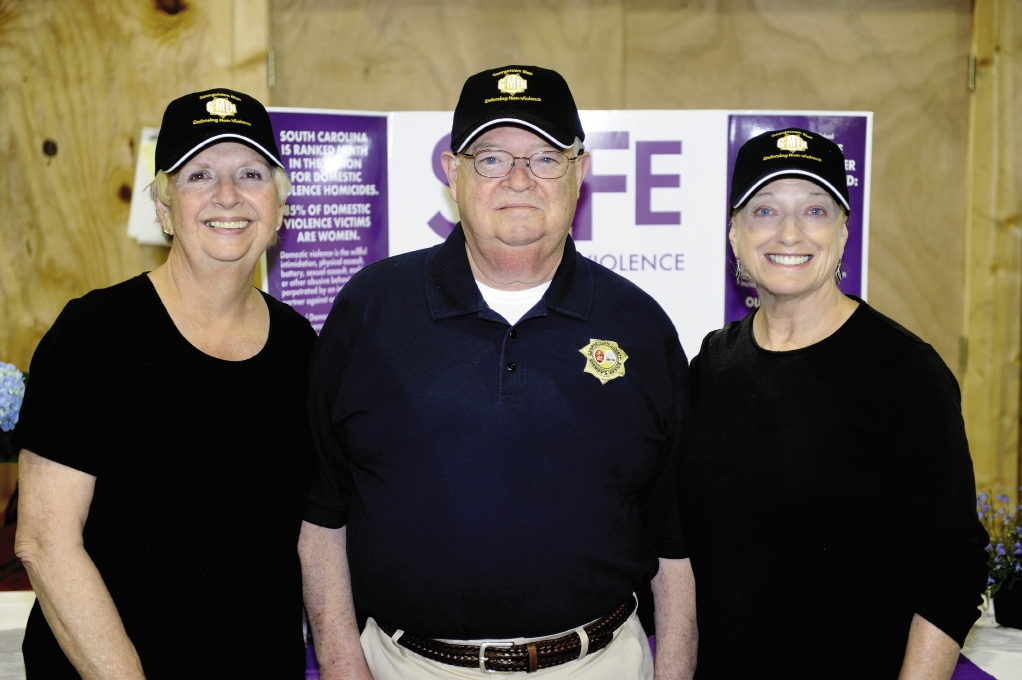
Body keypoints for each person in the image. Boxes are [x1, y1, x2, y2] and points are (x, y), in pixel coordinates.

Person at [299, 65, 697, 680]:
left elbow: (673, 543)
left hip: (599, 664)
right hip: (408, 667)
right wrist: (343, 666)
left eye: (544, 158)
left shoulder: (640, 325)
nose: (519, 180)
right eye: (491, 159)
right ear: (452, 172)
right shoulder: (371, 309)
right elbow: (323, 519)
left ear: (580, 173)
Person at [13, 88, 316, 678]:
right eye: (199, 174)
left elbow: (308, 531)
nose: (227, 196)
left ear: (279, 208)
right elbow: (45, 541)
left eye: (251, 174)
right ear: (164, 207)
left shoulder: (300, 345)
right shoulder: (95, 334)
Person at [679, 128, 989, 678]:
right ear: (734, 233)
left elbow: (952, 568)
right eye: (765, 209)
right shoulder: (712, 365)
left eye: (816, 210)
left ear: (844, 234)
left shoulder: (903, 372)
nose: (790, 232)